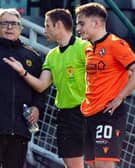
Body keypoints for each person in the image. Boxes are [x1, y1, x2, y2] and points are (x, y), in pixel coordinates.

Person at [3, 8, 89, 168]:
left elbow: (102, 76)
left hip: (86, 112)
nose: (44, 30)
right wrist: (23, 72)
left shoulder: (85, 47)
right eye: (5, 23)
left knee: (96, 161)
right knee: (71, 164)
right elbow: (42, 84)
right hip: (65, 115)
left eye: (47, 26)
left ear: (58, 25)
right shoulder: (52, 55)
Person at [75, 2, 135, 168]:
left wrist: (119, 97)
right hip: (89, 113)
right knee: (92, 165)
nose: (78, 28)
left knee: (104, 165)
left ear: (96, 23)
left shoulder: (115, 44)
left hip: (108, 113)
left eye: (81, 23)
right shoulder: (88, 48)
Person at [0, 8, 43, 168]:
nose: (9, 27)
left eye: (14, 23)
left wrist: (37, 107)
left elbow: (41, 89)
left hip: (19, 130)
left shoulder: (33, 56)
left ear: (21, 28)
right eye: (4, 23)